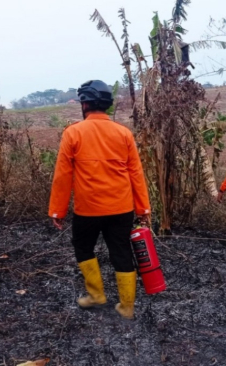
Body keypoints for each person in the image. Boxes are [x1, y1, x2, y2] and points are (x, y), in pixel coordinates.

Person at [49, 80, 151, 320]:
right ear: (106, 104)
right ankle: (126, 307)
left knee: (84, 247)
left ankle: (96, 296)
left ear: (85, 104)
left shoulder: (73, 132)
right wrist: (143, 207)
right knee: (121, 251)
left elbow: (63, 176)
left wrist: (58, 211)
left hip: (88, 210)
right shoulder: (123, 133)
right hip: (122, 208)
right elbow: (136, 173)